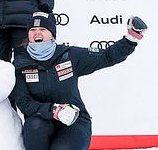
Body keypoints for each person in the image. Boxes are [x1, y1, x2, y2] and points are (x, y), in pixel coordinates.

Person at [11, 11, 147, 150]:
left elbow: (107, 56)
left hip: (74, 121)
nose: (37, 33)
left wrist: (131, 39)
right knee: (34, 126)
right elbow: (24, 102)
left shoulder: (69, 55)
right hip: (42, 122)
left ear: (52, 34)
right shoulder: (21, 65)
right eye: (32, 30)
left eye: (43, 29)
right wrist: (54, 110)